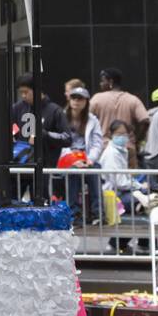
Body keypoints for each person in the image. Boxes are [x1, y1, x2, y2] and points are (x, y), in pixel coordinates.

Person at [98, 120, 149, 253]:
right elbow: (119, 182)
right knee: (146, 202)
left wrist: (139, 186)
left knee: (146, 201)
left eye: (124, 134)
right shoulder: (111, 154)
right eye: (118, 134)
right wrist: (139, 187)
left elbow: (124, 179)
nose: (122, 137)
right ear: (111, 134)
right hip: (113, 195)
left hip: (121, 192)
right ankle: (141, 244)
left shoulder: (120, 151)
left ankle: (120, 243)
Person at [61, 84, 103, 222]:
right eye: (73, 98)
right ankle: (73, 214)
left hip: (87, 158)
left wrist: (90, 159)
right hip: (68, 159)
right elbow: (59, 143)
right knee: (71, 174)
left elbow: (98, 142)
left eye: (80, 99)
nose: (76, 101)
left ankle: (98, 214)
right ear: (69, 100)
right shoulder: (61, 117)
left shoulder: (93, 120)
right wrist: (73, 160)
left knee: (95, 171)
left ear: (86, 102)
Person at [90, 68, 149, 164]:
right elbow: (145, 121)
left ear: (110, 82)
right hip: (128, 149)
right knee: (129, 178)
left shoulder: (96, 99)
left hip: (103, 149)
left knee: (105, 178)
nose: (100, 84)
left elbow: (85, 119)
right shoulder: (133, 99)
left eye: (102, 81)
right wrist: (137, 140)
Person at [10, 72, 71, 163]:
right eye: (21, 92)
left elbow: (67, 138)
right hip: (19, 165)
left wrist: (44, 134)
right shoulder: (17, 108)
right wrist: (13, 135)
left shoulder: (54, 110)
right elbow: (12, 127)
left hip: (45, 167)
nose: (23, 96)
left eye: (26, 92)